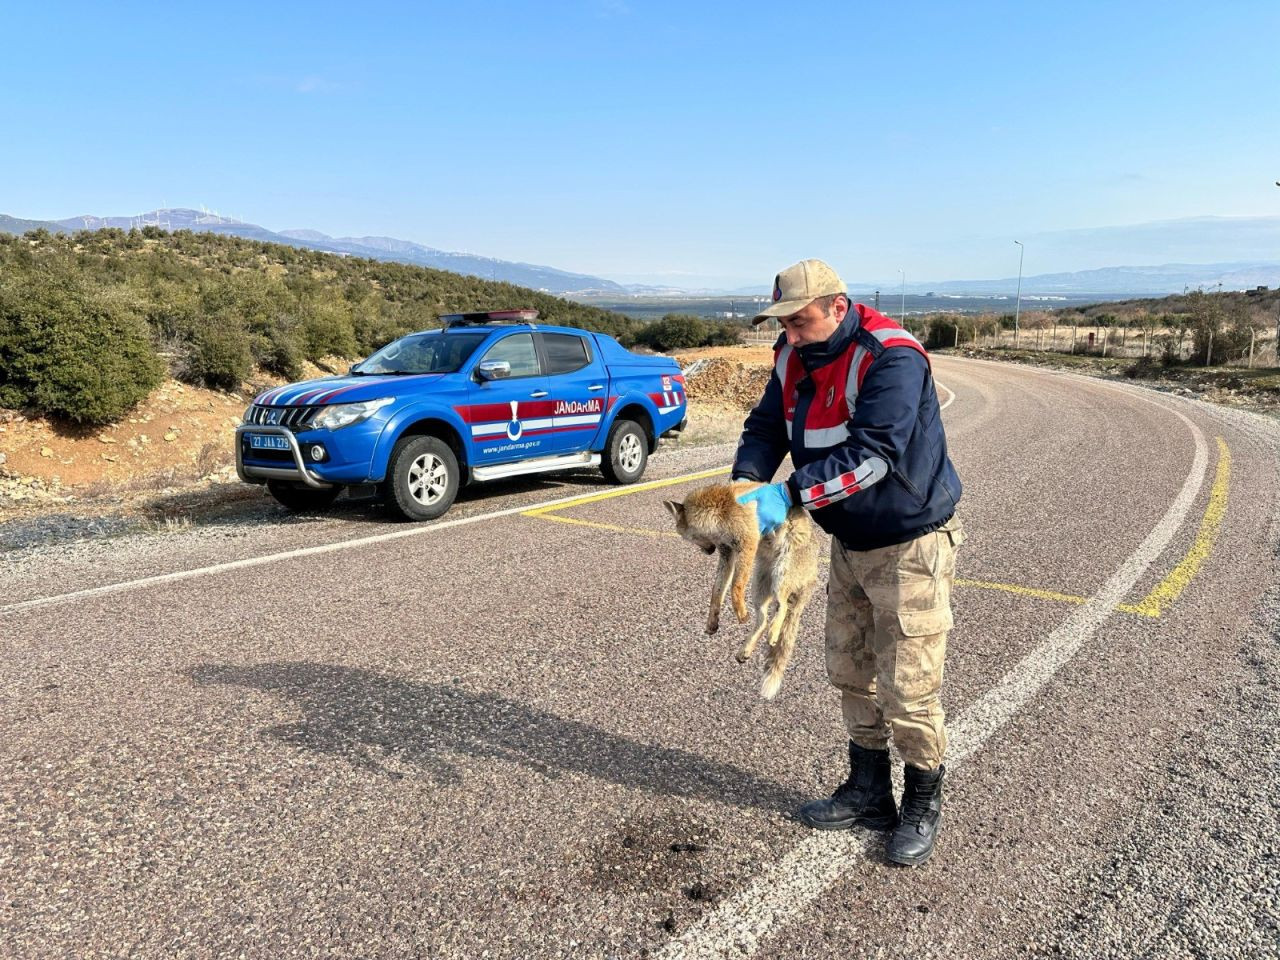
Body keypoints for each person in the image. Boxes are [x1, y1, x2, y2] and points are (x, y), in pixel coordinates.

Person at [733, 258, 964, 866]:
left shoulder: (892, 358)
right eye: (782, 323)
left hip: (909, 542)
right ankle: (869, 791)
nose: (791, 335)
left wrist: (787, 494)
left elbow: (872, 458)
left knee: (908, 684)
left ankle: (922, 800)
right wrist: (747, 480)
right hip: (848, 542)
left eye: (800, 321)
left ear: (839, 307)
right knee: (849, 667)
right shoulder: (791, 355)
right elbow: (767, 425)